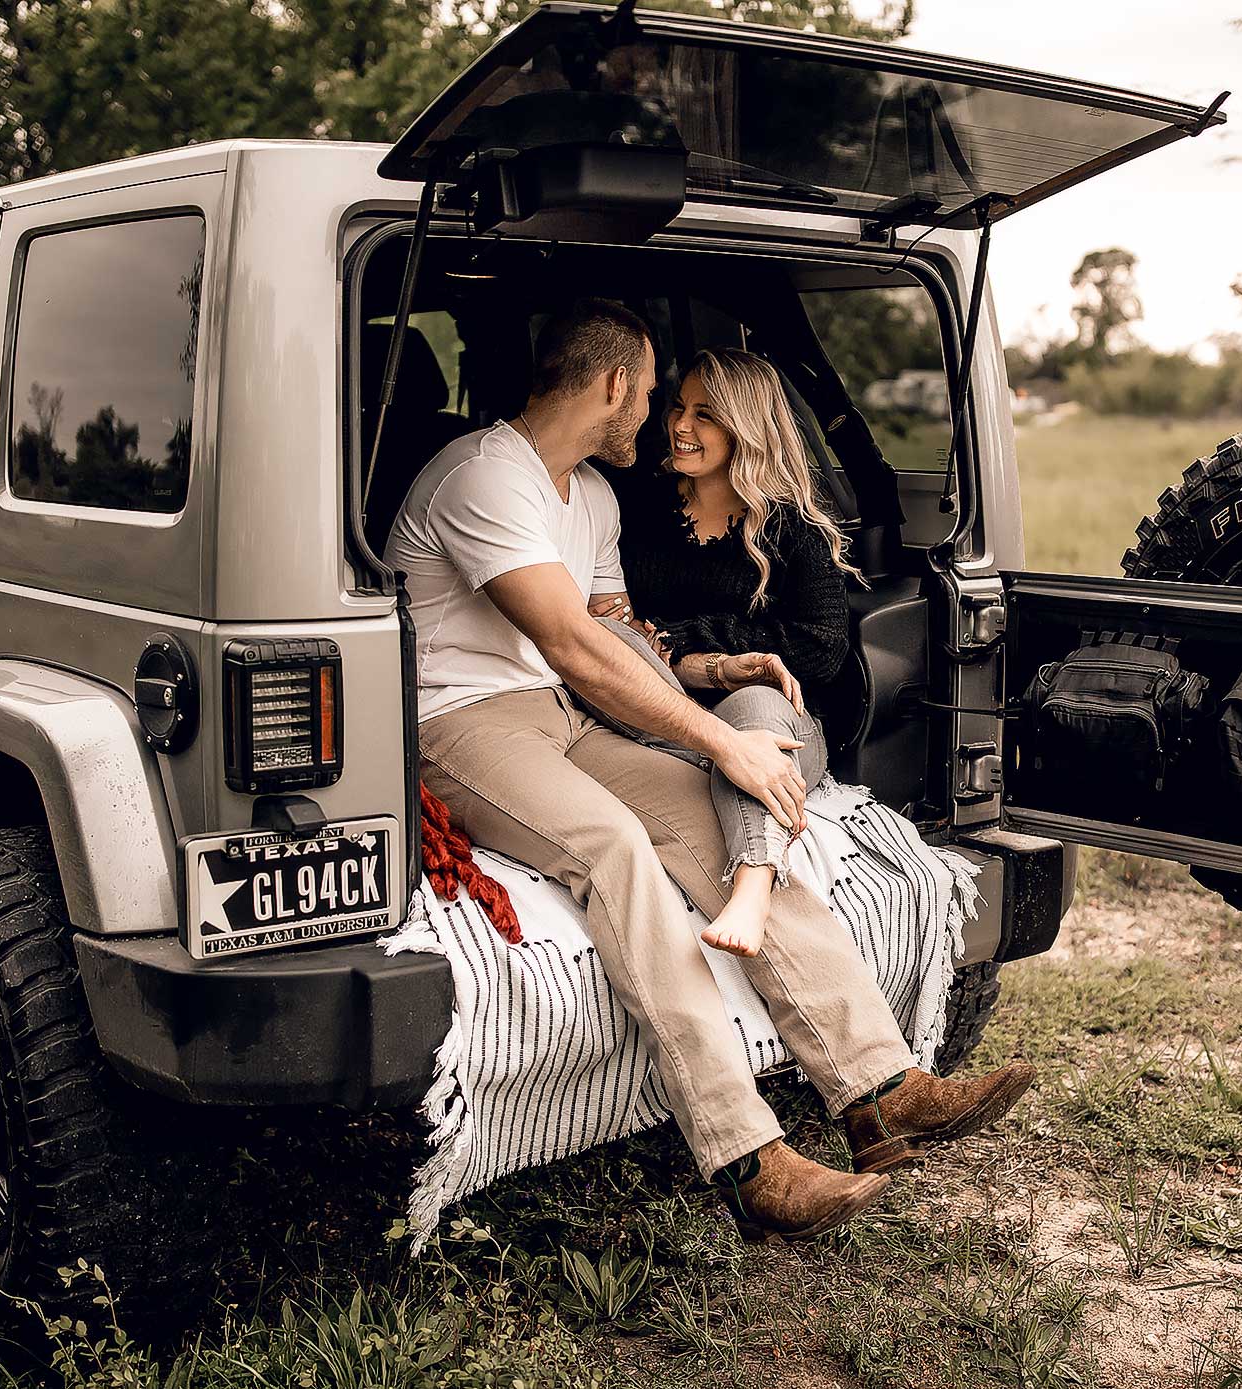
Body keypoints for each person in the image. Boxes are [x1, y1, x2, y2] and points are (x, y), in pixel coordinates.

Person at [386, 299, 1036, 1243]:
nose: (653, 414)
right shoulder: (485, 477)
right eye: (647, 393)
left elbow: (620, 642)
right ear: (611, 385)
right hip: (462, 724)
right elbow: (569, 641)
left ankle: (880, 1089)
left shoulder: (594, 498)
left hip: (565, 716)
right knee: (613, 848)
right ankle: (748, 1158)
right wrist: (718, 733)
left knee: (716, 816)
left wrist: (714, 678)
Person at [580, 347, 855, 961]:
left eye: (705, 415)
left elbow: (820, 650)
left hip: (771, 724)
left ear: (745, 425)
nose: (680, 426)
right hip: (658, 714)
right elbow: (614, 626)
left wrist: (687, 636)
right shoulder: (637, 503)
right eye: (677, 407)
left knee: (756, 704)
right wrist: (694, 656)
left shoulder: (793, 526)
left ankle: (753, 886)